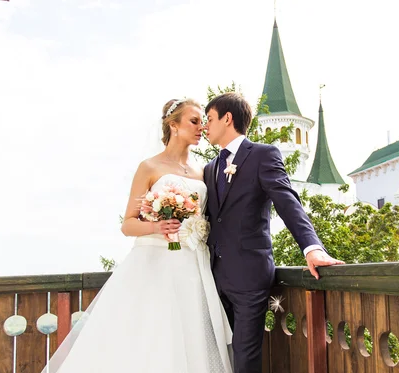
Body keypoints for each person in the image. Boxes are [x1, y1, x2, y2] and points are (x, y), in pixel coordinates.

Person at [42, 98, 233, 373]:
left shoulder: (202, 171)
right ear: (173, 125)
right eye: (194, 121)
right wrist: (158, 226)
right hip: (155, 266)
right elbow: (128, 224)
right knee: (155, 339)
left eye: (203, 121)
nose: (201, 127)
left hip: (193, 267)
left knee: (193, 339)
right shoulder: (149, 167)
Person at [203, 92, 344, 373]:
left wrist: (312, 247)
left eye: (209, 119)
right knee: (217, 355)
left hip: (249, 276)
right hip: (212, 276)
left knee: (245, 358)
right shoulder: (210, 168)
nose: (205, 126)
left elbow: (287, 202)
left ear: (227, 118)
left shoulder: (263, 155)